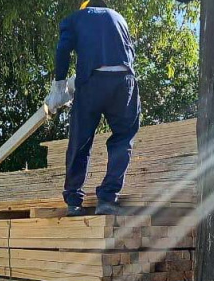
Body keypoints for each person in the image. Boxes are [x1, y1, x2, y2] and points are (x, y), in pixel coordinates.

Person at [46, 0, 142, 217]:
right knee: (123, 138)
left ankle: (73, 202)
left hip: (92, 83)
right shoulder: (119, 18)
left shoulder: (75, 18)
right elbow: (129, 54)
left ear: (85, 7)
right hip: (124, 82)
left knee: (80, 140)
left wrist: (59, 85)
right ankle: (107, 199)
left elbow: (63, 49)